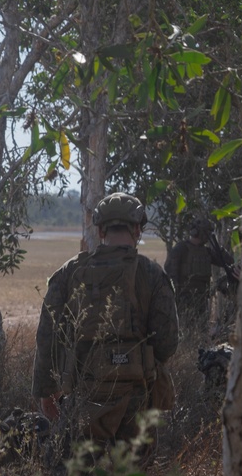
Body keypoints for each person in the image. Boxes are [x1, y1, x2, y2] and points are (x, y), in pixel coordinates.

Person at [32, 192, 178, 451]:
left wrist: (47, 390)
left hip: (86, 395)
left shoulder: (69, 272)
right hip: (139, 396)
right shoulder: (152, 274)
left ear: (100, 231)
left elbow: (48, 337)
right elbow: (167, 343)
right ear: (137, 229)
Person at [164, 217, 232, 331]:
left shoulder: (206, 251)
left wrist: (216, 246)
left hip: (201, 299)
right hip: (183, 298)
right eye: (207, 233)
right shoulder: (181, 248)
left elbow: (228, 261)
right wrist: (175, 295)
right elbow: (170, 271)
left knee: (201, 330)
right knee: (183, 329)